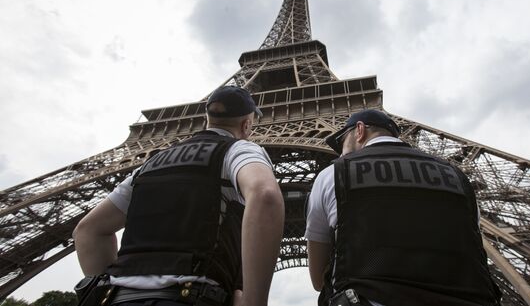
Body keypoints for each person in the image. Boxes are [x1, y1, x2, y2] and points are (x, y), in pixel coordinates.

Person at [73, 86, 285, 306]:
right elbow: (265, 195)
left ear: (207, 119)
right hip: (191, 296)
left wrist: (109, 291)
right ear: (246, 125)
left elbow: (88, 230)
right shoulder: (238, 149)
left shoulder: (151, 163)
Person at [305, 109, 501, 306]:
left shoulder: (333, 175)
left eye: (342, 141)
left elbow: (318, 278)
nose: (341, 151)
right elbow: (472, 248)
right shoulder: (458, 178)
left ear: (359, 130)